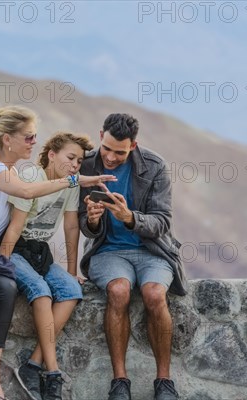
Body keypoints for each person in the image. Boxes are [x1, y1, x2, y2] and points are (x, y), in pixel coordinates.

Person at [0, 106, 115, 400]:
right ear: (7, 139)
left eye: (34, 137)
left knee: (7, 289)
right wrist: (78, 180)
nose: (33, 143)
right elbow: (26, 195)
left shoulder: (16, 172)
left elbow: (51, 213)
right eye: (28, 137)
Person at [78, 113, 187, 400]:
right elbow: (85, 228)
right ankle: (120, 381)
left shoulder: (155, 166)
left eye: (120, 152)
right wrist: (91, 219)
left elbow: (162, 221)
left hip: (152, 250)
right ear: (100, 134)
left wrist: (130, 218)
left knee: (153, 294)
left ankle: (164, 381)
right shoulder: (86, 163)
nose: (112, 157)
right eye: (107, 148)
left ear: (134, 145)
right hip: (108, 251)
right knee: (119, 290)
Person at [0, 132, 93, 400]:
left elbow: (72, 227)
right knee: (40, 289)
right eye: (70, 158)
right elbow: (15, 226)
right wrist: (0, 263)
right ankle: (53, 373)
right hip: (15, 248)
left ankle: (32, 365)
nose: (75, 165)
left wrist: (73, 271)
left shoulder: (70, 185)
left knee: (71, 291)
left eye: (79, 162)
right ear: (51, 154)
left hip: (40, 254)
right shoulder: (31, 178)